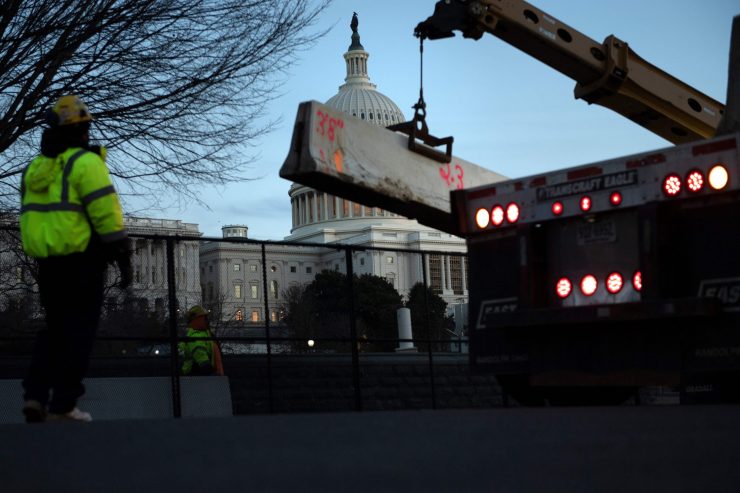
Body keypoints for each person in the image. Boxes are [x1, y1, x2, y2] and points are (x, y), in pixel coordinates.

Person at [20, 95, 132, 423]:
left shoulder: (34, 169)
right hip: (82, 260)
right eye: (85, 127)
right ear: (81, 130)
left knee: (54, 331)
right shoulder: (86, 163)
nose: (87, 133)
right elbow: (106, 214)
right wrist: (123, 256)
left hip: (47, 262)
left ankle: (35, 395)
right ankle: (64, 404)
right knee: (79, 333)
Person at [179, 305, 224, 376]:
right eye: (205, 318)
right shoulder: (195, 338)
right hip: (196, 377)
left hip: (198, 376)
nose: (207, 320)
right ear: (199, 319)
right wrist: (213, 375)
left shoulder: (204, 334)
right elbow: (203, 362)